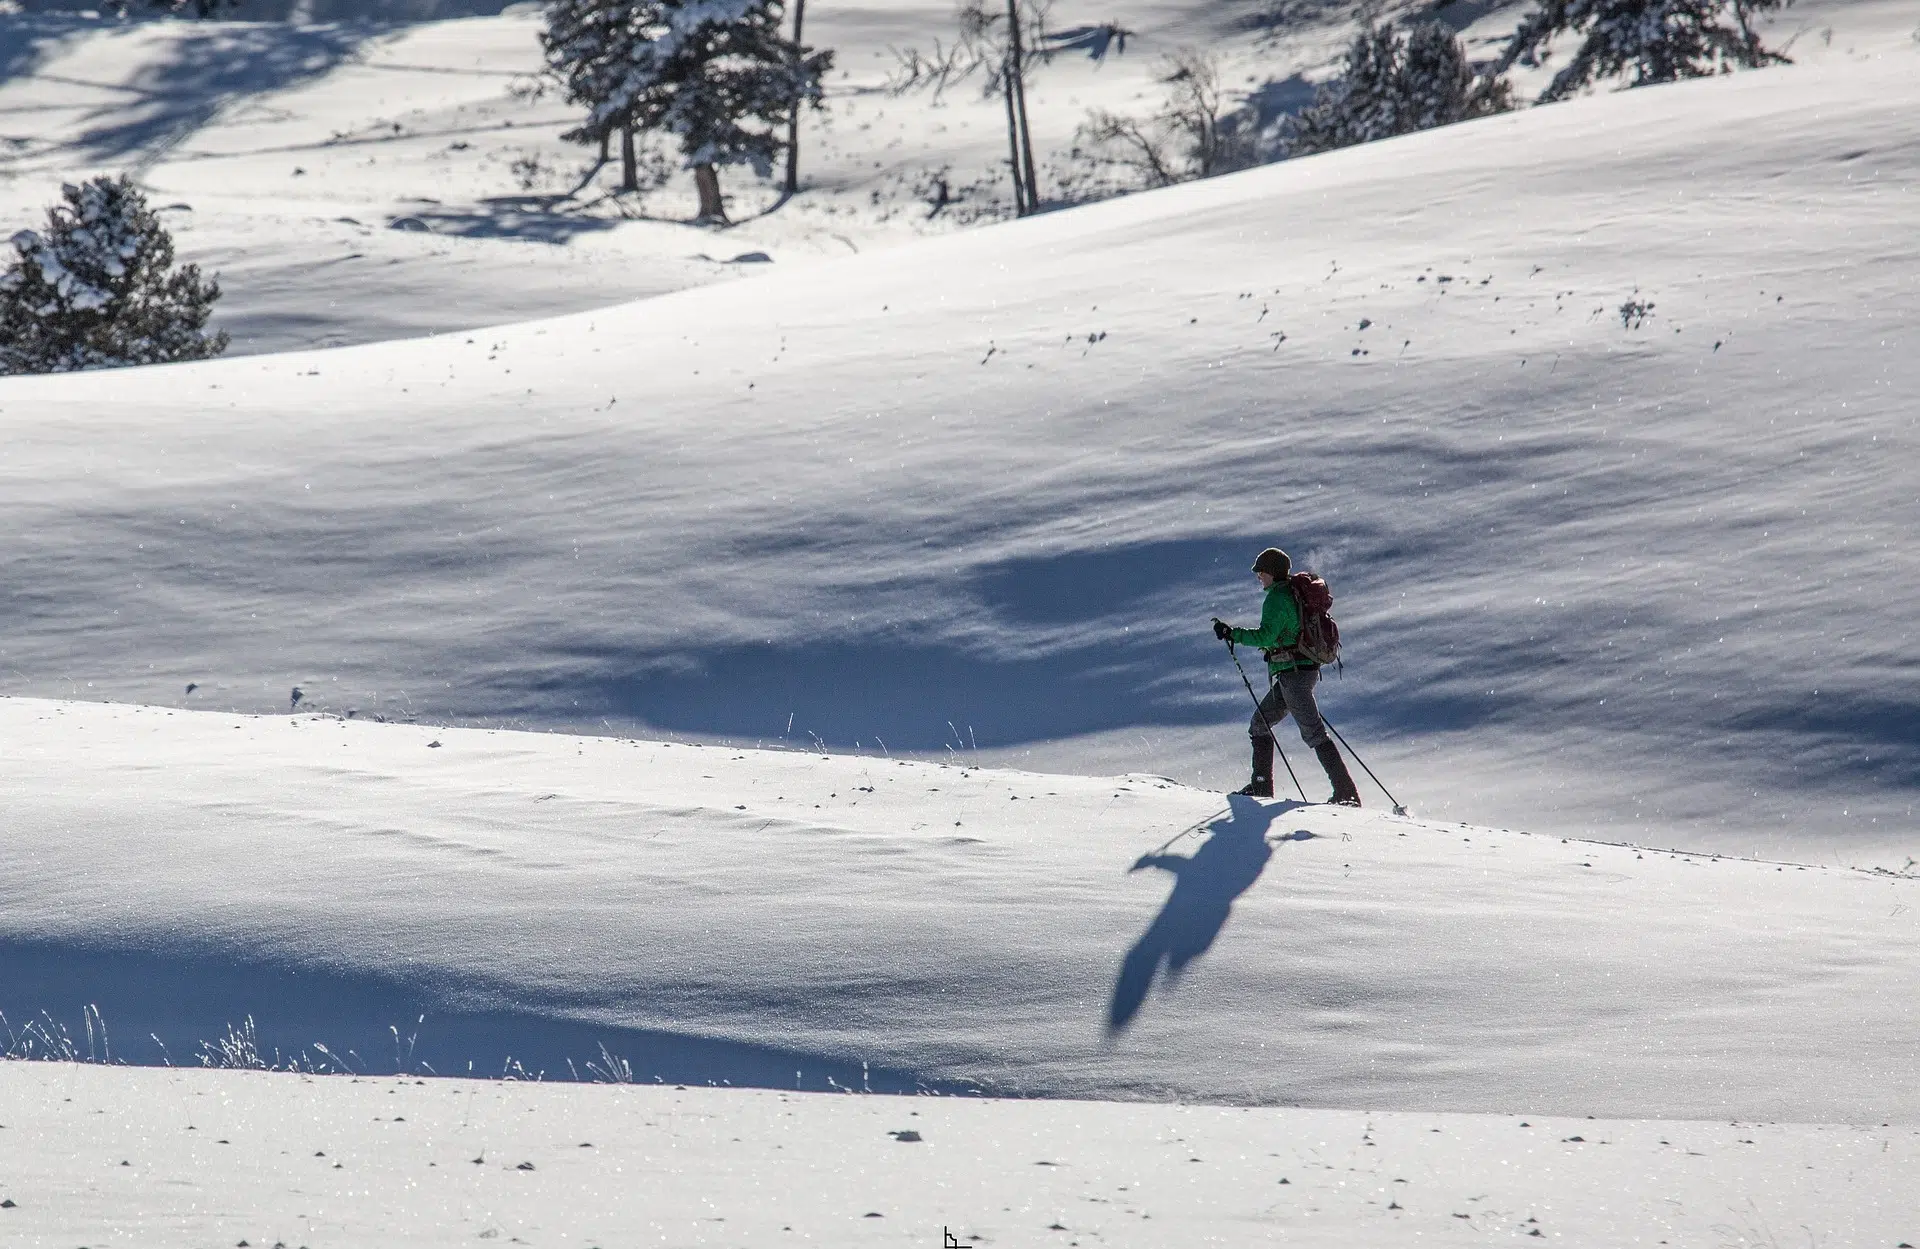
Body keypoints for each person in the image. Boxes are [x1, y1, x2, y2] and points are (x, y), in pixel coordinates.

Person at [1211, 547, 1360, 804]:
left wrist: (1233, 633)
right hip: (1297, 673)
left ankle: (1346, 793)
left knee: (1313, 733)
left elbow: (1266, 636)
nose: (1258, 576)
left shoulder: (1277, 599)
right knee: (1260, 724)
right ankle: (1261, 786)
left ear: (1271, 572)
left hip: (1294, 676)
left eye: (1261, 571)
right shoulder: (1290, 593)